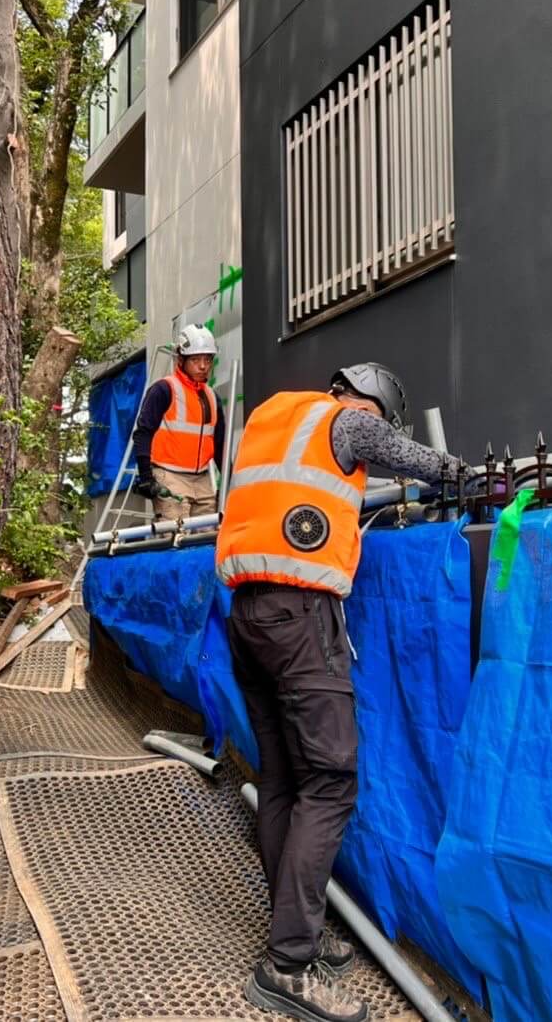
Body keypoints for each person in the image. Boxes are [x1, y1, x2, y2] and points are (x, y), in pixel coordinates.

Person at [215, 362, 465, 1022]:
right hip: (300, 617)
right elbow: (405, 457)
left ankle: (291, 931)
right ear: (373, 403)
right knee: (331, 781)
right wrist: (466, 474)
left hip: (245, 613)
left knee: (285, 780)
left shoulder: (272, 419)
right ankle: (288, 966)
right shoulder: (349, 423)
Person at [132, 324, 226, 523]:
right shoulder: (164, 389)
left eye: (207, 359)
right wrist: (146, 477)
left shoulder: (212, 397)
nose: (203, 366)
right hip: (169, 476)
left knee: (207, 538)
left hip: (202, 479)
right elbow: (143, 433)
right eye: (195, 359)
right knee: (174, 537)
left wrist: (231, 479)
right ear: (181, 360)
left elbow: (220, 445)